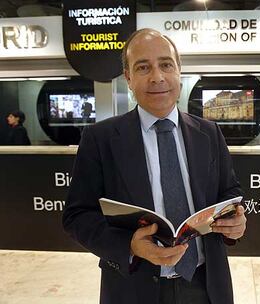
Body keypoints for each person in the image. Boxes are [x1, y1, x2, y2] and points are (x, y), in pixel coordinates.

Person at [62, 28, 246, 304]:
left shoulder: (209, 133)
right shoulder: (101, 138)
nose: (157, 77)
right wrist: (129, 245)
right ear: (128, 78)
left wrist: (236, 222)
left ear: (179, 72)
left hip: (206, 285)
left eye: (165, 65)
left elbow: (229, 192)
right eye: (143, 67)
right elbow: (77, 216)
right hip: (132, 287)